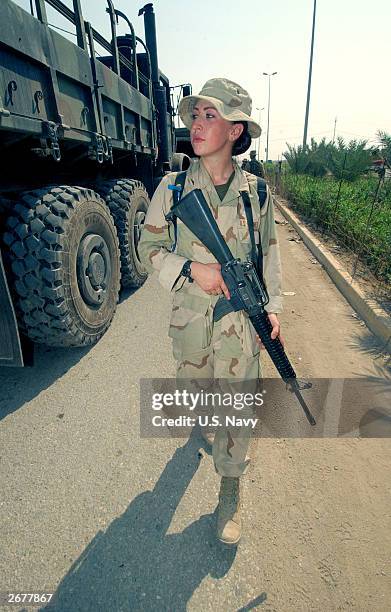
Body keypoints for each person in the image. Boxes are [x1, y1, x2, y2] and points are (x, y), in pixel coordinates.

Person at [138, 78, 283, 545]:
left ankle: (229, 493)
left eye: (210, 116)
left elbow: (271, 260)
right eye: (196, 115)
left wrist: (272, 311)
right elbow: (149, 248)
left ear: (236, 130)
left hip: (241, 325)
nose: (198, 124)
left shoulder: (257, 194)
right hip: (192, 324)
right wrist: (190, 269)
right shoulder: (173, 186)